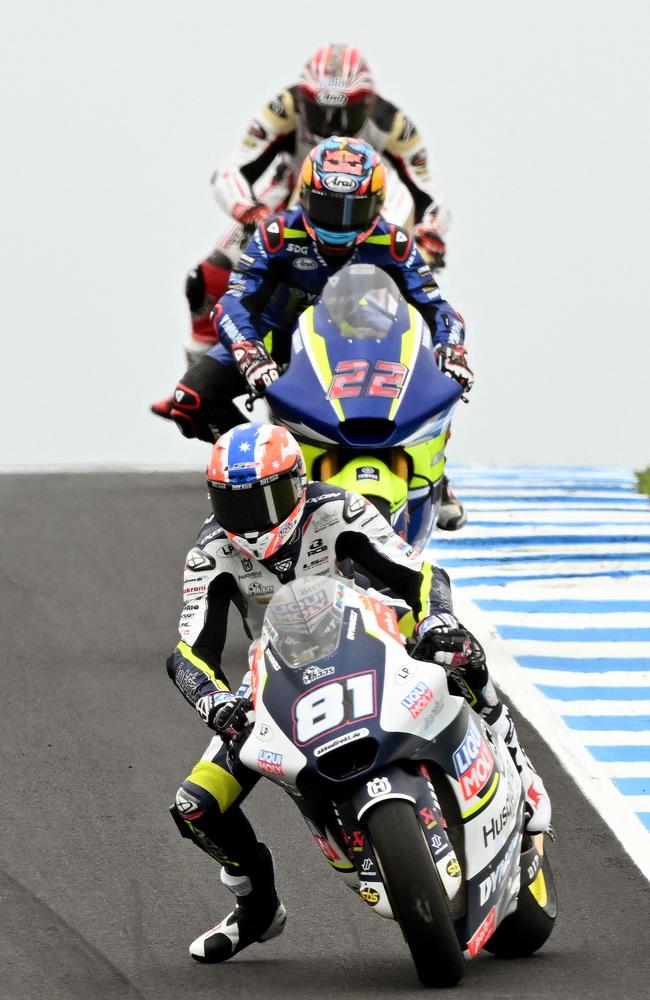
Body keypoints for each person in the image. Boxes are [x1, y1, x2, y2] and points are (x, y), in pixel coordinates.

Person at [168, 421, 551, 964]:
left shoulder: (337, 511)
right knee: (195, 807)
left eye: (266, 499)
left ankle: (515, 754)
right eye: (235, 505)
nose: (253, 520)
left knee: (456, 649)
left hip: (374, 639)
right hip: (279, 679)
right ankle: (258, 911)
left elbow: (418, 571)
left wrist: (436, 618)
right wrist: (216, 703)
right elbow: (189, 652)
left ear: (297, 484)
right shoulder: (210, 553)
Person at [164, 135, 469, 530]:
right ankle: (262, 467)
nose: (339, 222)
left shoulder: (392, 242)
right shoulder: (276, 234)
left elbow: (437, 306)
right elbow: (232, 302)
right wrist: (248, 350)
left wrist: (452, 348)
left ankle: (437, 479)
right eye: (328, 205)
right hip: (275, 348)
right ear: (305, 196)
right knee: (190, 400)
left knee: (441, 383)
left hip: (361, 346)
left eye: (353, 208)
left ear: (376, 204)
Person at [152, 42, 448, 379]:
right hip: (292, 195)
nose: (331, 125)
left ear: (366, 104)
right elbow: (230, 171)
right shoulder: (284, 106)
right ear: (304, 99)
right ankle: (203, 372)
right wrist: (248, 209)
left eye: (343, 113)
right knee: (205, 280)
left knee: (389, 290)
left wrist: (431, 233)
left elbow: (430, 196)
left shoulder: (394, 125)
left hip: (370, 213)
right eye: (318, 111)